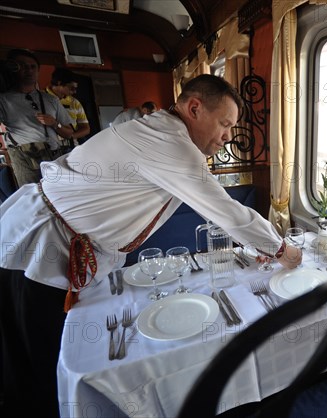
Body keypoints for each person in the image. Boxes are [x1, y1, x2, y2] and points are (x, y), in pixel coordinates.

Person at [0, 74, 301, 417]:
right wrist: (282, 250)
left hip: (59, 243)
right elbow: (227, 211)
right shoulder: (169, 142)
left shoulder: (160, 132)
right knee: (35, 365)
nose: (228, 136)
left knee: (37, 359)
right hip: (35, 247)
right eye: (225, 124)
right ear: (195, 108)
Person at [0, 49, 74, 187]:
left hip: (53, 156)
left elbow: (69, 133)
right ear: (12, 69)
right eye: (22, 66)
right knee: (36, 196)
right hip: (26, 158)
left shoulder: (51, 100)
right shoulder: (4, 100)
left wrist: (54, 123)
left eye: (32, 67)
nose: (29, 70)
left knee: (62, 193)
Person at [45, 67, 90, 150]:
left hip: (71, 146)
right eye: (71, 88)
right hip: (50, 147)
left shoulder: (75, 102)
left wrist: (70, 136)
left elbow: (86, 128)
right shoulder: (42, 98)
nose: (75, 92)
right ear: (59, 83)